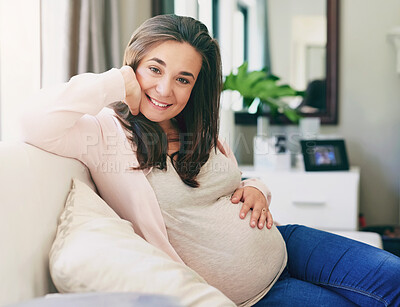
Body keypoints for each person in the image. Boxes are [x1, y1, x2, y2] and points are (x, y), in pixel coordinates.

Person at [22, 14, 400, 307]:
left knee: (393, 278)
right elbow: (32, 122)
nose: (165, 89)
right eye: (154, 69)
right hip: (253, 296)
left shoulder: (201, 130)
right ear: (134, 63)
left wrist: (256, 189)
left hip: (287, 243)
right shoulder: (105, 134)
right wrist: (119, 81)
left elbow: (236, 182)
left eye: (183, 79)